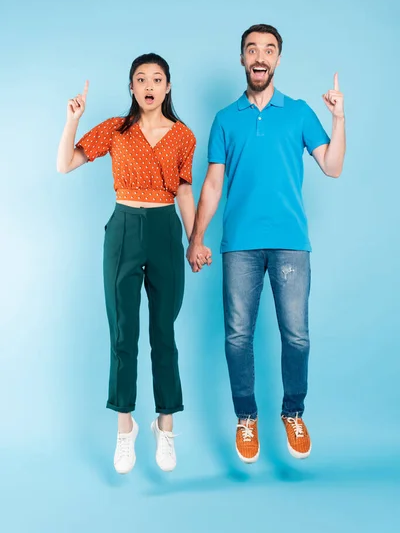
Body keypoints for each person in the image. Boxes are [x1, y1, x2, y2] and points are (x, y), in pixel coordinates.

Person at [187, 24, 346, 463]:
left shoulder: (297, 113)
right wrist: (196, 237)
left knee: (296, 337)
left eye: (269, 50)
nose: (260, 56)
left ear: (277, 60)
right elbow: (213, 185)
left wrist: (338, 117)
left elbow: (332, 167)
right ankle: (246, 418)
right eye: (252, 49)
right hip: (238, 243)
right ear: (242, 58)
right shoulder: (224, 119)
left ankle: (292, 412)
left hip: (290, 242)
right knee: (237, 338)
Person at [57, 53, 198, 474]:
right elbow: (65, 164)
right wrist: (72, 120)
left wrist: (196, 242)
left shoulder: (183, 136)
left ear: (167, 87)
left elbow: (186, 194)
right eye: (141, 79)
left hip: (164, 228)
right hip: (122, 226)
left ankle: (165, 425)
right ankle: (125, 430)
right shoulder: (117, 130)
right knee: (123, 331)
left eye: (157, 79)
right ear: (132, 87)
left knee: (163, 332)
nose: (150, 85)